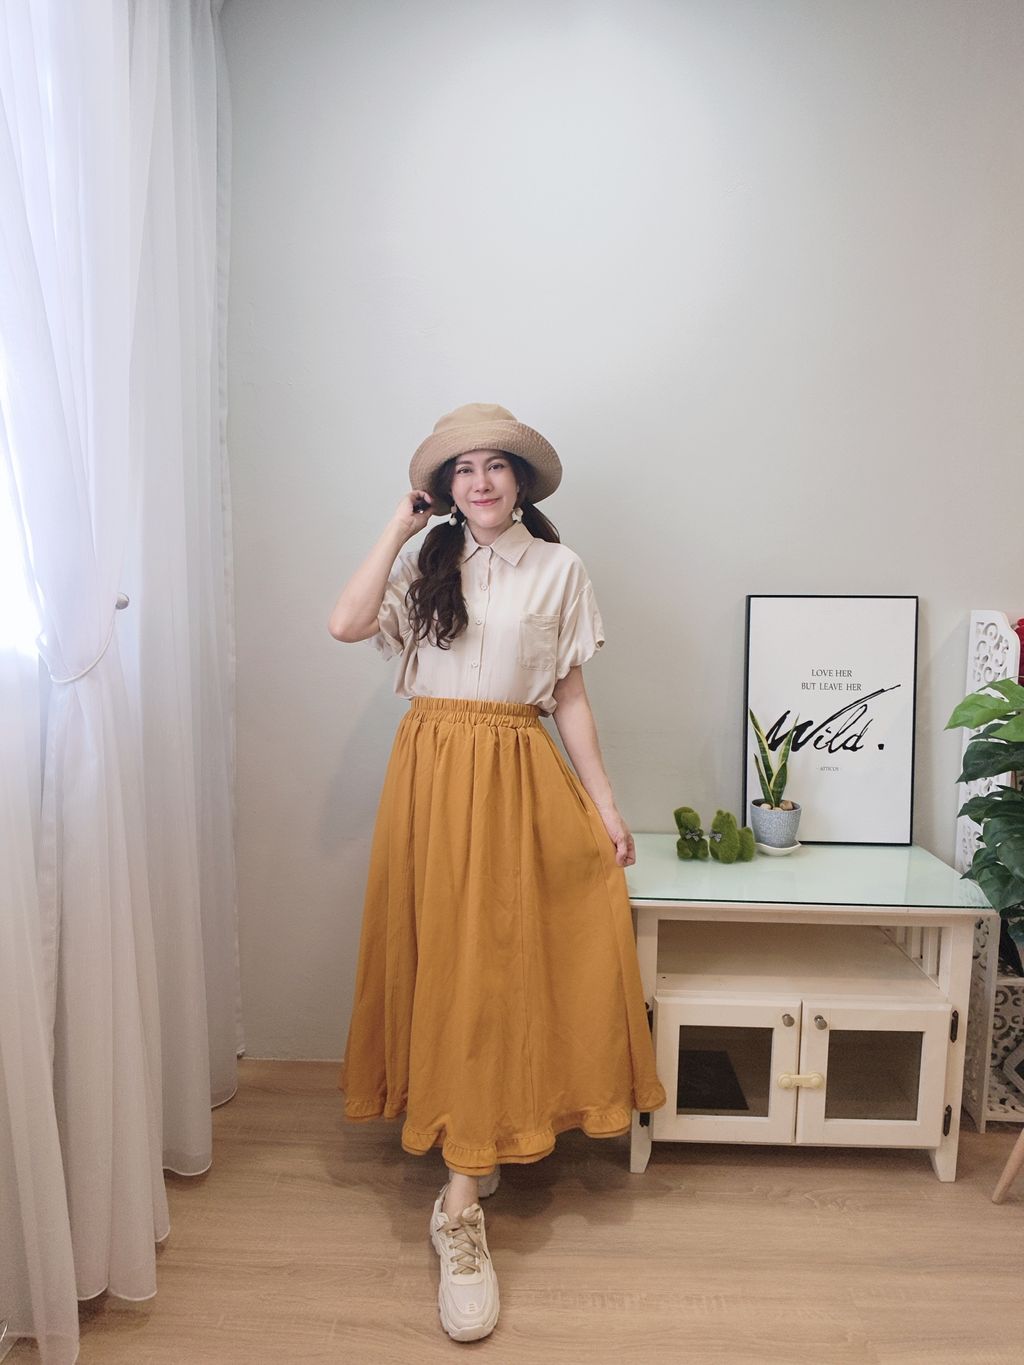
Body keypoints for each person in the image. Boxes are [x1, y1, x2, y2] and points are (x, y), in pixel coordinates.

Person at [329, 402, 666, 1343]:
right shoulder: (424, 563)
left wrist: (605, 805)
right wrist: (400, 526)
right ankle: (463, 1173)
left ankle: (464, 1191)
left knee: (501, 966)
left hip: (516, 772)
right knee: (448, 961)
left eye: (496, 466)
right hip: (431, 775)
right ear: (445, 489)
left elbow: (569, 696)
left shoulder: (559, 568)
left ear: (520, 482)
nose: (480, 481)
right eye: (463, 469)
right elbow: (344, 622)